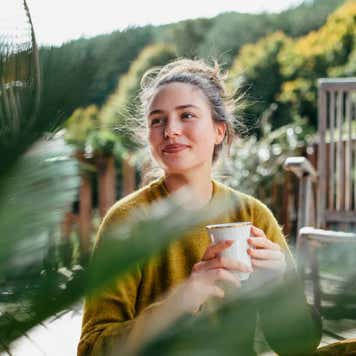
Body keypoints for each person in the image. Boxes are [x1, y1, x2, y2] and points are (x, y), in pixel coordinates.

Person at [77, 58, 321, 356]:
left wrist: (278, 285)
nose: (170, 131)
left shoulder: (253, 216)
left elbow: (299, 346)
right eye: (157, 120)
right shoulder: (127, 221)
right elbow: (91, 349)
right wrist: (180, 302)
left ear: (220, 131)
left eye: (187, 115)